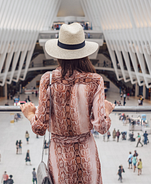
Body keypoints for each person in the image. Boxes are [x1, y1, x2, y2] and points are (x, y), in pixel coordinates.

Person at [20, 23, 114, 184]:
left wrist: (29, 114)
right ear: (84, 53)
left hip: (59, 159)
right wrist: (105, 109)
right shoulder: (95, 80)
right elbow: (102, 127)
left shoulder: (48, 80)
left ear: (59, 54)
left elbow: (40, 128)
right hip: (87, 157)